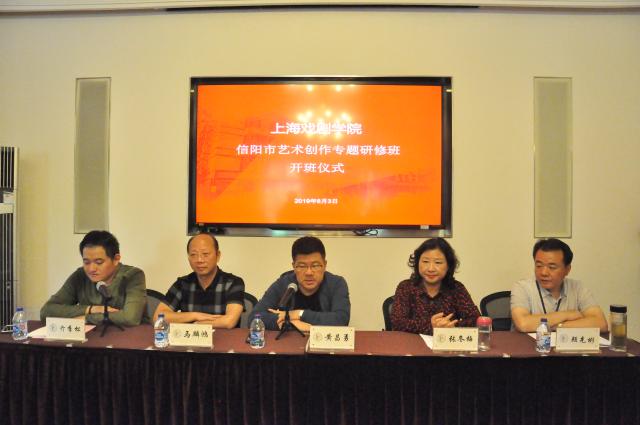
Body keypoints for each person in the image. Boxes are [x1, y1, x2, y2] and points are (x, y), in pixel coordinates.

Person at [40, 230, 146, 326]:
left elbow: (130, 317)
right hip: (89, 337)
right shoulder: (80, 276)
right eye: (86, 262)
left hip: (124, 337)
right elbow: (46, 311)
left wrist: (87, 318)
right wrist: (91, 309)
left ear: (116, 259)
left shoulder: (133, 275)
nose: (91, 269)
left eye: (99, 262)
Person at [249, 236, 350, 331]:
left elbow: (341, 319)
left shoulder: (336, 284)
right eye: (302, 266)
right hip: (289, 342)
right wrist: (290, 324)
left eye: (315, 265)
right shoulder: (284, 283)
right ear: (293, 266)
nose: (309, 273)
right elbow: (254, 318)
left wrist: (298, 314)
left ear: (324, 265)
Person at [511, 238, 608, 332]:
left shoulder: (577, 288)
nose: (544, 272)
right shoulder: (522, 287)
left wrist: (558, 326)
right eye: (539, 266)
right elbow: (523, 324)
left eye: (552, 267)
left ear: (567, 269)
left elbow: (600, 323)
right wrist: (567, 315)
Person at [153, 233, 245, 328]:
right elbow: (157, 317)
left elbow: (229, 321)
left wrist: (194, 324)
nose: (199, 260)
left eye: (205, 254)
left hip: (224, 337)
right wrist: (194, 315)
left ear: (218, 255)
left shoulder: (233, 283)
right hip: (189, 337)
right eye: (193, 255)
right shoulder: (182, 284)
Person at [390, 238, 480, 335]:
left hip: (447, 343)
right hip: (413, 344)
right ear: (417, 263)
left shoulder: (456, 288)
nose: (431, 269)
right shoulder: (406, 287)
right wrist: (431, 326)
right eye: (425, 261)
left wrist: (451, 326)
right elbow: (397, 323)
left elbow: (476, 320)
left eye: (438, 262)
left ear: (448, 266)